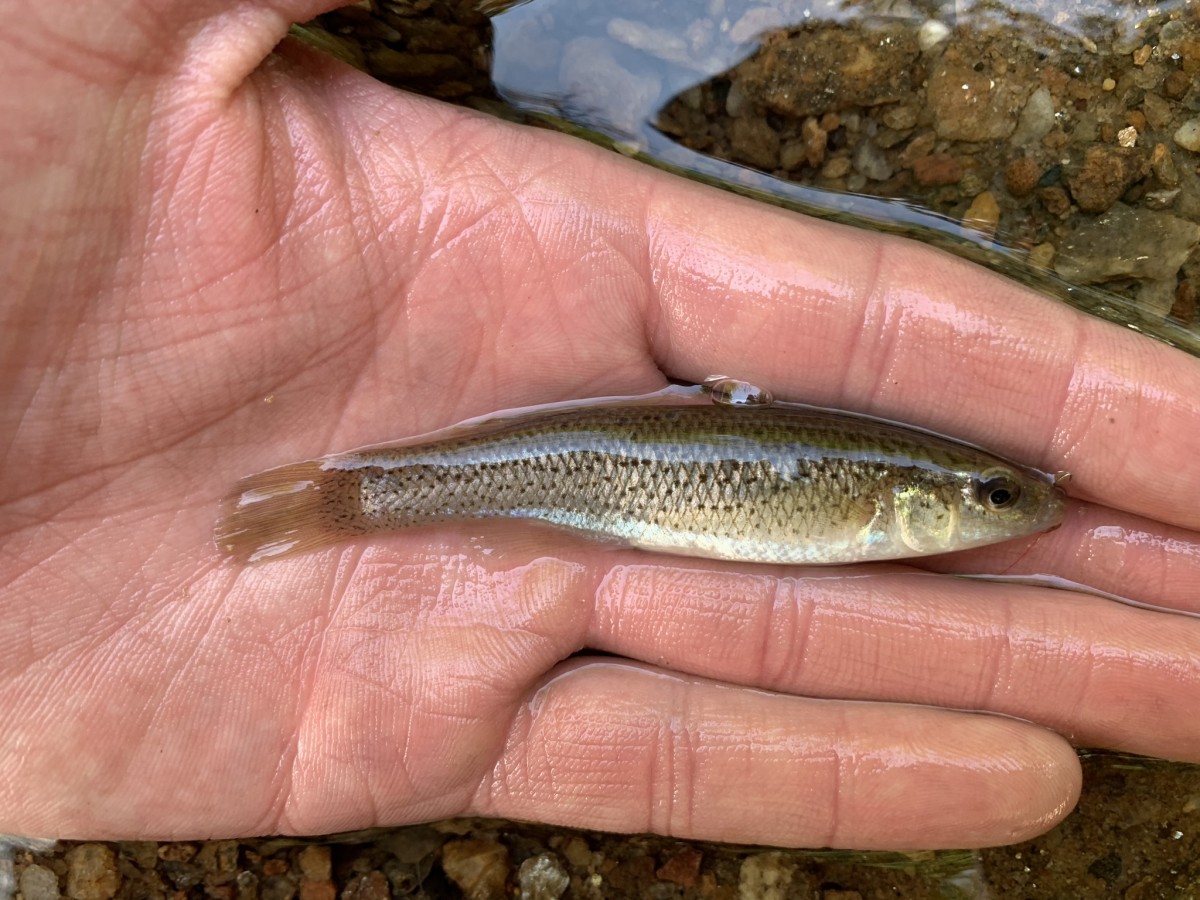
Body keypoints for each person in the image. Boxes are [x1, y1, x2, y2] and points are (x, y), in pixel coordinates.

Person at [2, 0, 1198, 850]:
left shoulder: (897, 494)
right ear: (922, 498)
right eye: (991, 495)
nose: (1010, 502)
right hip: (602, 471)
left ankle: (346, 498)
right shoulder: (889, 496)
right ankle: (343, 499)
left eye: (996, 493)